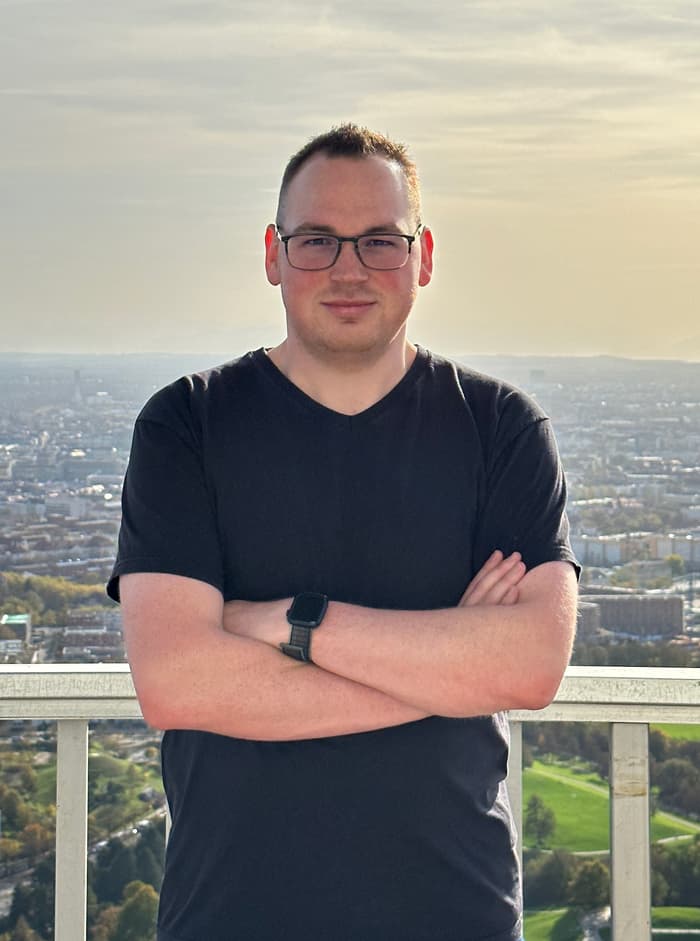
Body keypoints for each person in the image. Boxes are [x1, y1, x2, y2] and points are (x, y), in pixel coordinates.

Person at [108, 123, 579, 941]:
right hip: (231, 919)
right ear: (273, 254)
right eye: (318, 240)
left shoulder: (502, 430)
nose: (350, 267)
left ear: (424, 256)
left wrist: (289, 622)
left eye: (381, 241)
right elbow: (178, 683)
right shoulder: (186, 425)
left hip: (455, 915)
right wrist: (447, 669)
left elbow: (531, 664)